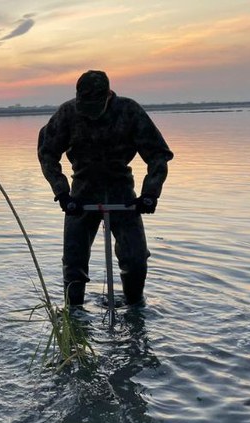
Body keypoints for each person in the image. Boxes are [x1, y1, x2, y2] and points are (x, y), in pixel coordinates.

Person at [37, 70, 173, 310]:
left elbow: (158, 155)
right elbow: (47, 153)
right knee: (73, 261)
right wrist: (62, 193)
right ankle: (74, 312)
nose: (89, 112)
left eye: (94, 106)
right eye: (84, 105)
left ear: (108, 96)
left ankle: (134, 307)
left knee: (136, 259)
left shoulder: (129, 111)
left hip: (121, 193)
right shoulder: (68, 113)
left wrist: (150, 194)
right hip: (81, 193)